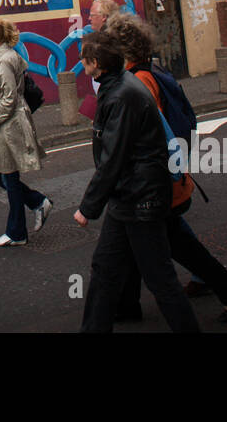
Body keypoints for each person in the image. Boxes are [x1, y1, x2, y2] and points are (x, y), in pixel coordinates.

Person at [103, 13, 227, 323]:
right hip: (155, 181)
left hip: (154, 184)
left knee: (174, 249)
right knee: (135, 244)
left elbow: (156, 136)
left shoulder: (137, 81)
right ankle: (126, 306)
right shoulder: (147, 72)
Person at [73, 31, 200, 332]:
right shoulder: (115, 86)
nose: (80, 63)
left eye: (83, 58)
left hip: (141, 198)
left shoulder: (123, 94)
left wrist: (88, 207)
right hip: (128, 198)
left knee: (160, 278)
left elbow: (113, 158)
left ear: (96, 64)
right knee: (104, 269)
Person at [0, 18, 50, 246]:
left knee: (7, 175)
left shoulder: (5, 60)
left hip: (9, 125)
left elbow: (9, 98)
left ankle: (17, 232)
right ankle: (37, 202)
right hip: (3, 122)